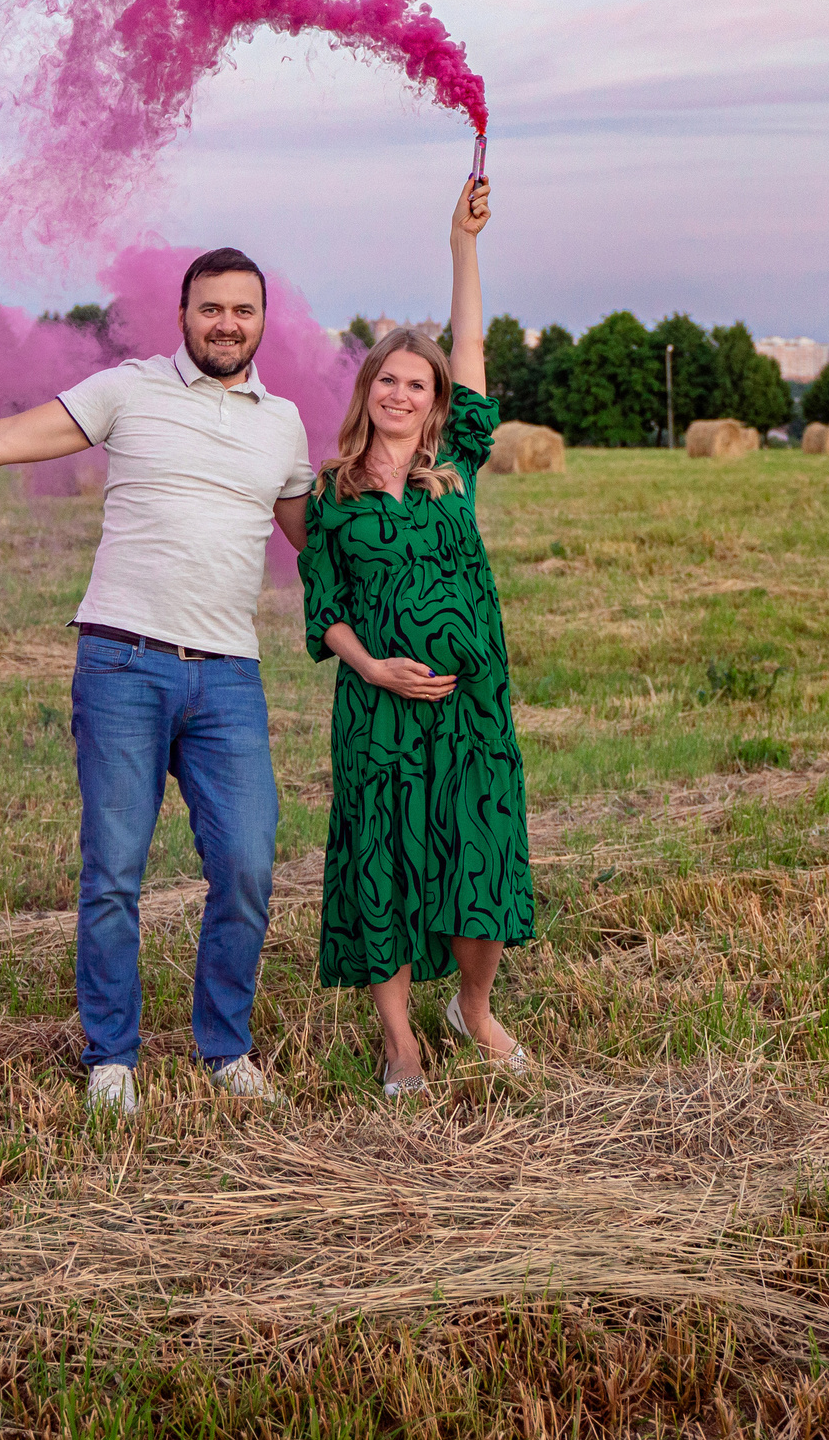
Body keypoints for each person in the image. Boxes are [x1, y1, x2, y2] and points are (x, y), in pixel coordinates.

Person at [0, 249, 313, 1116]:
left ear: (264, 320)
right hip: (122, 661)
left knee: (250, 863)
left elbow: (315, 538)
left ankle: (225, 1047)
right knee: (115, 868)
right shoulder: (128, 389)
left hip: (228, 675)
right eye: (211, 308)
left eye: (243, 310)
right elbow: (3, 441)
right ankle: (112, 1053)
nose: (227, 323)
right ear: (183, 313)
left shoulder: (283, 424)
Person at [298, 176, 533, 1095]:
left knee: (480, 856)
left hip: (471, 708)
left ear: (435, 400)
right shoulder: (332, 492)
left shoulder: (455, 470)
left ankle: (471, 1007)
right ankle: (400, 1038)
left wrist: (461, 244)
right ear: (368, 391)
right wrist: (375, 669)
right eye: (387, 379)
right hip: (378, 712)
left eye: (417, 382)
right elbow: (324, 611)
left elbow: (469, 345)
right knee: (384, 862)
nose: (401, 392)